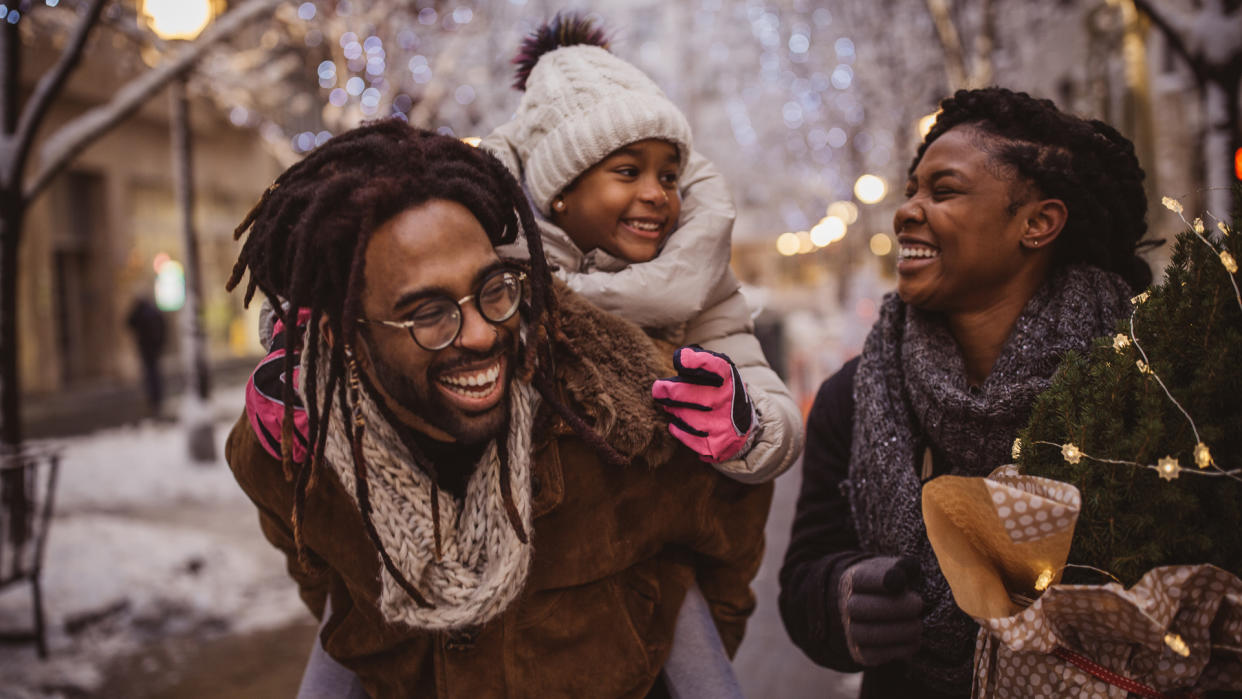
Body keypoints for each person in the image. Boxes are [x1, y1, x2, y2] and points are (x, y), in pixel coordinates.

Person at [224, 120, 772, 697]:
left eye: (493, 288)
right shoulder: (292, 454)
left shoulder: (620, 418)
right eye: (428, 312)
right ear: (341, 336)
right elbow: (321, 578)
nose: (484, 334)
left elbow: (730, 546)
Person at [778, 87, 1155, 698]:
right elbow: (803, 577)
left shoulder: (1144, 380)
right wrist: (843, 596)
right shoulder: (856, 394)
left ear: (1037, 223)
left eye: (943, 190)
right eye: (911, 192)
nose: (908, 211)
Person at [482, 14, 803, 484]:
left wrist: (749, 424)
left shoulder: (699, 279)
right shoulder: (491, 277)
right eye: (629, 172)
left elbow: (773, 404)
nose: (657, 194)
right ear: (560, 191)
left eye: (669, 177)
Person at [126, 295, 167, 417]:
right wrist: (160, 343)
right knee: (154, 373)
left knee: (151, 373)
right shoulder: (153, 312)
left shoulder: (141, 313)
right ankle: (156, 397)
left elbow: (129, 322)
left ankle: (154, 398)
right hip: (153, 348)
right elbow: (163, 326)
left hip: (146, 348)